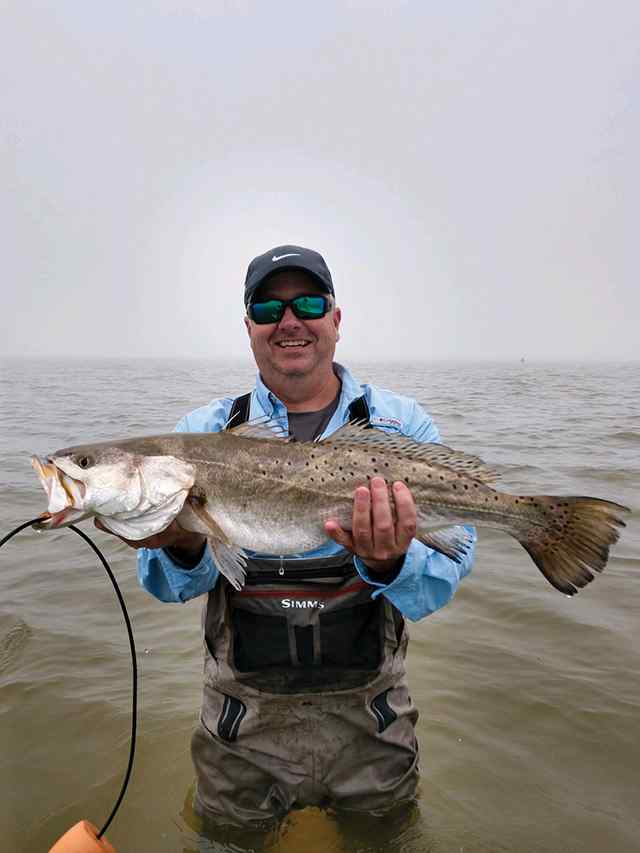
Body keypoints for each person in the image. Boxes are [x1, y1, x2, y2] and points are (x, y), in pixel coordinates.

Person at [100, 245, 476, 829]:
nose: (289, 321)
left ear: (335, 318)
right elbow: (168, 589)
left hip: (373, 725)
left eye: (307, 302)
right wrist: (180, 540)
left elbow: (441, 582)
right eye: (269, 308)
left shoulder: (402, 425)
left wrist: (392, 560)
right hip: (239, 731)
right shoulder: (201, 433)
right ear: (248, 325)